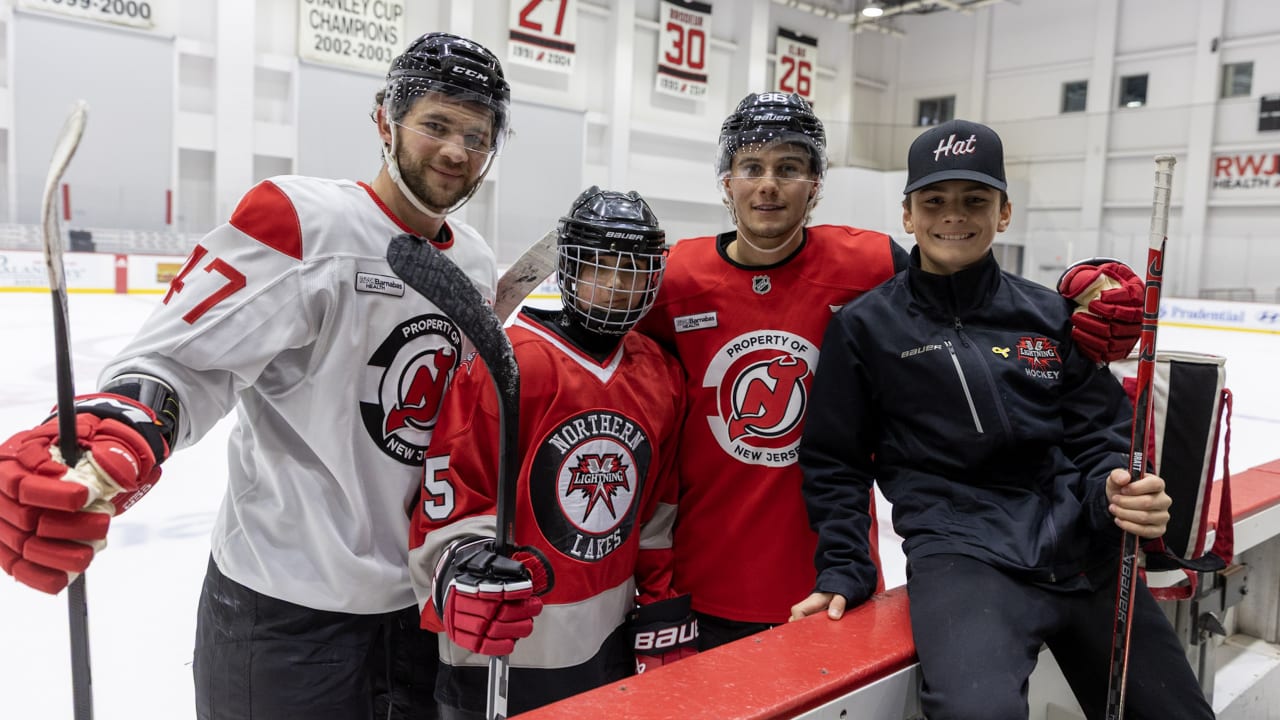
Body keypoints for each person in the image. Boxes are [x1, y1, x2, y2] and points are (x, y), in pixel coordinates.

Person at [0, 32, 511, 720]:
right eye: (437, 125)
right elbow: (181, 360)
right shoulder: (303, 222)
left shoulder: (474, 261)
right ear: (386, 121)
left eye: (477, 137)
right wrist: (120, 426)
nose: (455, 151)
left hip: (415, 610)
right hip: (285, 612)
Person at [792, 119, 1214, 720]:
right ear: (907, 215)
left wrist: (1114, 490)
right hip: (964, 558)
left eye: (975, 200)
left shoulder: (1050, 315)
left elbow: (1100, 431)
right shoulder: (865, 328)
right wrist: (844, 568)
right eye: (933, 201)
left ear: (1004, 212)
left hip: (1085, 551)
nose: (953, 216)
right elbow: (835, 461)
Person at [409, 187, 695, 718]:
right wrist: (461, 573)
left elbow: (656, 513)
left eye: (633, 270)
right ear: (569, 268)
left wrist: (658, 609)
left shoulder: (662, 374)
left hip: (607, 638)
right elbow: (453, 488)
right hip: (505, 642)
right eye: (600, 266)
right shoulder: (513, 361)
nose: (616, 285)